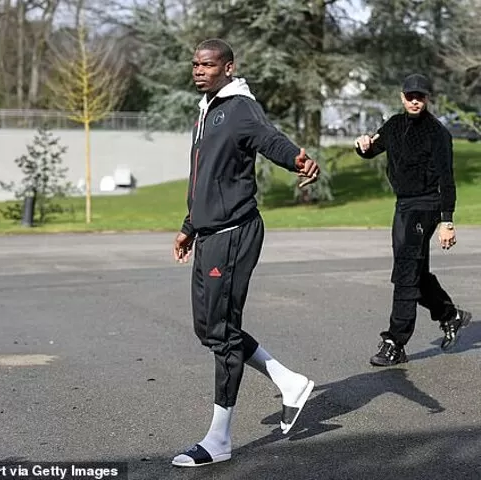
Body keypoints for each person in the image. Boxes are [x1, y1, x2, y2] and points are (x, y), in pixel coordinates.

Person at [171, 38, 320, 467]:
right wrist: (188, 227)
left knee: (222, 333)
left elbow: (268, 138)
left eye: (209, 64)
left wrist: (297, 160)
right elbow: (205, 177)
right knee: (210, 329)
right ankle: (289, 382)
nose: (199, 70)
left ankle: (219, 439)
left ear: (229, 67)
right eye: (196, 63)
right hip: (209, 234)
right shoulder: (208, 110)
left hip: (234, 233)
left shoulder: (238, 108)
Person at [354, 73, 472, 367]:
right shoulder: (393, 125)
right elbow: (372, 150)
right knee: (413, 271)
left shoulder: (438, 133)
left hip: (427, 206)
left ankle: (395, 341)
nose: (415, 101)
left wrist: (447, 220)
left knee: (406, 271)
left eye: (420, 96)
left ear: (427, 98)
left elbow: (448, 178)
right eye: (410, 96)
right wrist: (363, 146)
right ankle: (450, 315)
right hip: (404, 206)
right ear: (401, 96)